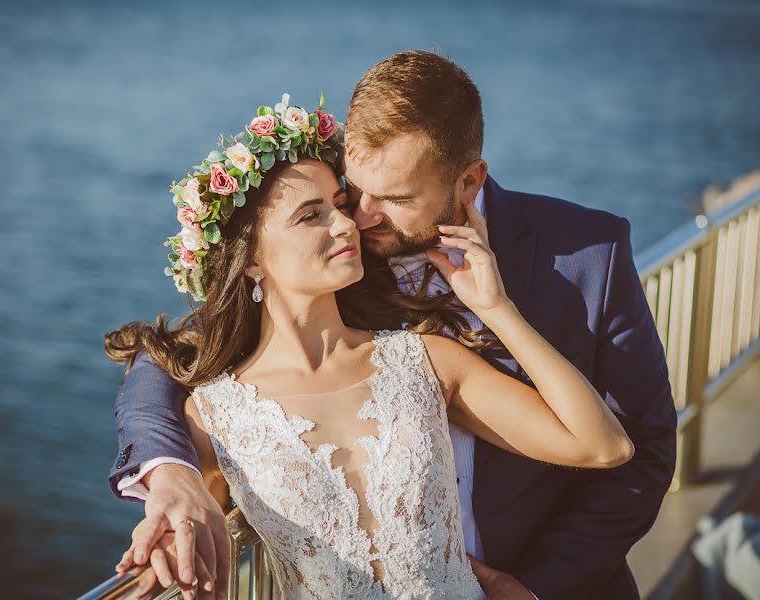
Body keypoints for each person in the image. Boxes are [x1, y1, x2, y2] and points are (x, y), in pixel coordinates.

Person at [108, 52, 677, 600]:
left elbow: (637, 452)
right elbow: (169, 356)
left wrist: (533, 588)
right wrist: (170, 473)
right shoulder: (340, 246)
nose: (358, 218)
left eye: (396, 198)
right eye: (352, 190)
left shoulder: (588, 254)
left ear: (468, 183)